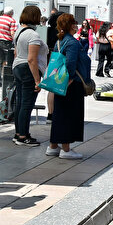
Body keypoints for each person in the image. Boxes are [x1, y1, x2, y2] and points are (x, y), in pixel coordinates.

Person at [46, 14, 91, 160]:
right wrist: (70, 79)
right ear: (71, 25)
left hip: (60, 82)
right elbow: (71, 64)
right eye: (75, 22)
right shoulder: (72, 42)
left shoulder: (60, 41)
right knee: (68, 116)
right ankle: (66, 149)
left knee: (59, 114)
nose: (77, 25)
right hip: (71, 84)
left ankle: (53, 146)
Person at [11, 5, 49, 146]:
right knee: (27, 104)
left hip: (18, 67)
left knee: (20, 103)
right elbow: (31, 59)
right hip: (28, 70)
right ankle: (23, 136)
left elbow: (16, 52)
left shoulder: (19, 31)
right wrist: (37, 80)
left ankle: (18, 133)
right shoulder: (33, 35)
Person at [0, 6, 17, 87]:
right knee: (9, 62)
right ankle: (7, 81)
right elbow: (12, 33)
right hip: (7, 42)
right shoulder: (12, 20)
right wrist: (16, 43)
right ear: (11, 13)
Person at [45, 8, 63, 123]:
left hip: (49, 59)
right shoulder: (60, 33)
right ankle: (55, 114)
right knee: (56, 88)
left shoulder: (47, 31)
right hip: (58, 59)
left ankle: (50, 114)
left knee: (51, 89)